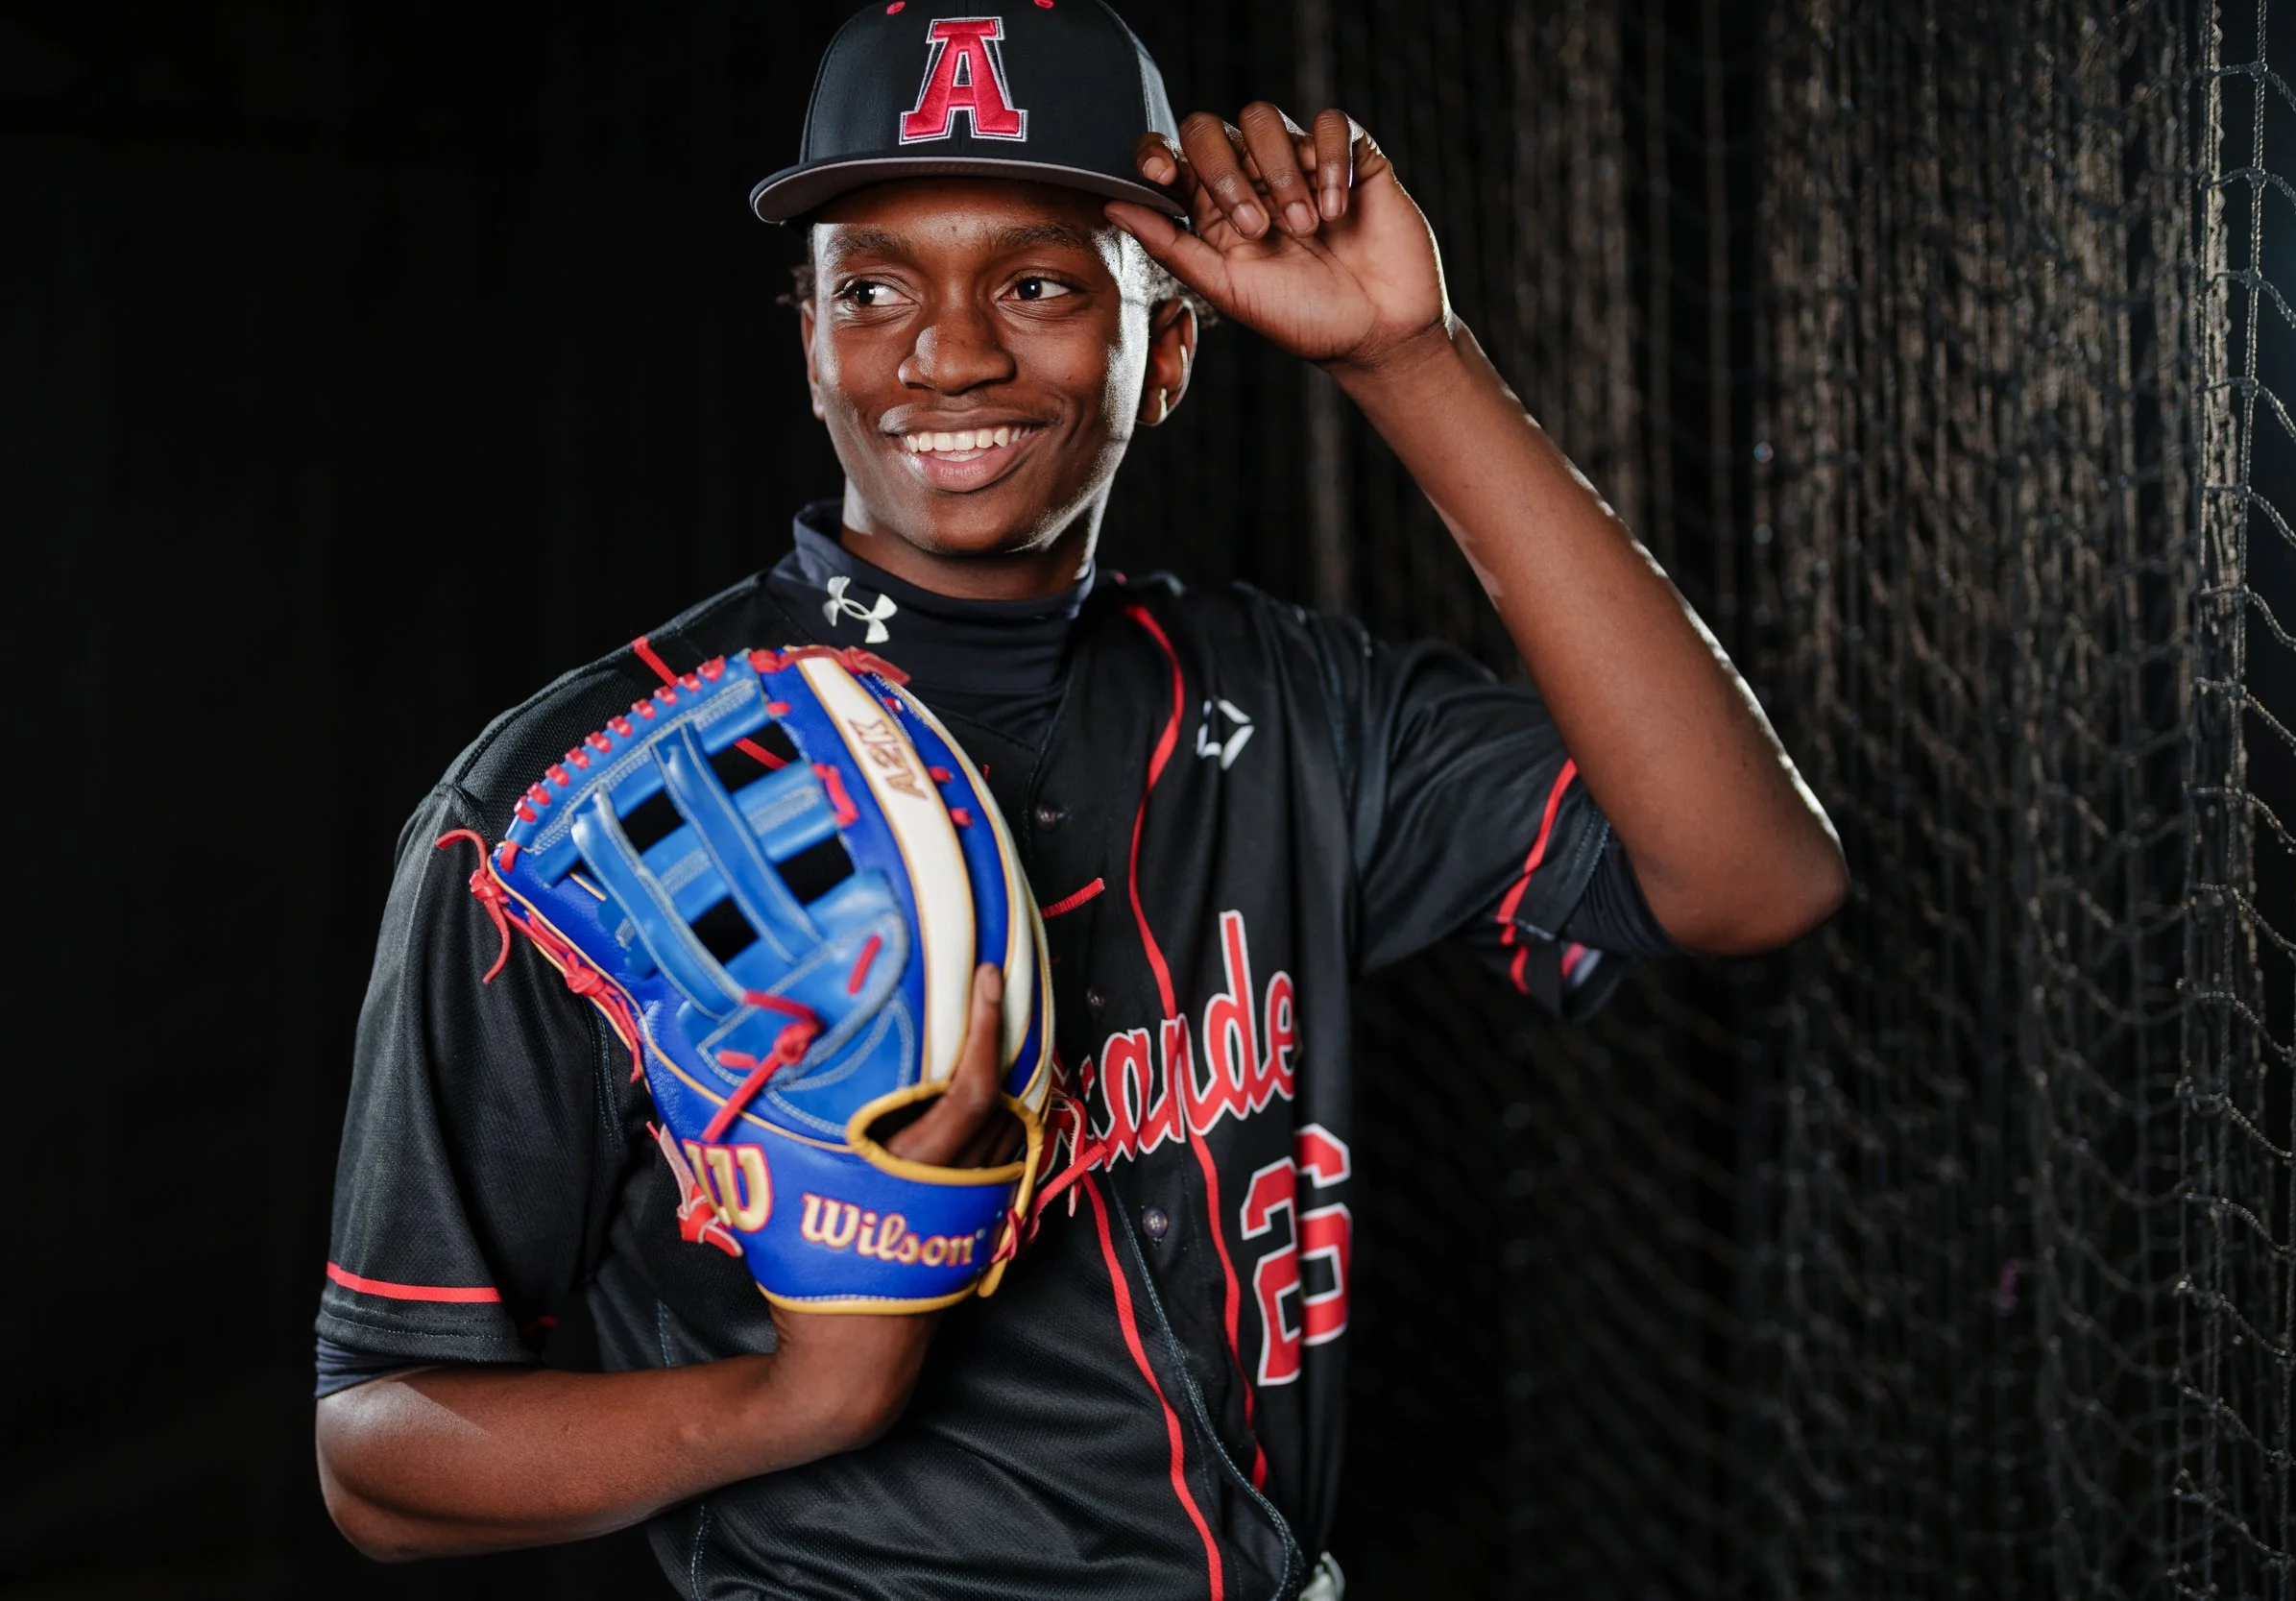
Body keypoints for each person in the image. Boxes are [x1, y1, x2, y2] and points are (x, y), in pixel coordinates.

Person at [312, 3, 1847, 1595]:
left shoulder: (1291, 699)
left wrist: (1411, 361)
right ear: (814, 340)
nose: (952, 350)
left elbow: (1748, 877)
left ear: (1165, 348)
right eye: (874, 290)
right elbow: (380, 1449)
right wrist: (806, 1393)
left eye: (1038, 284)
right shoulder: (584, 798)